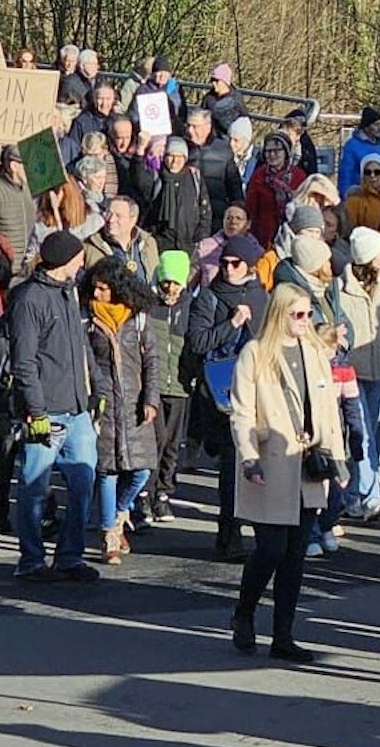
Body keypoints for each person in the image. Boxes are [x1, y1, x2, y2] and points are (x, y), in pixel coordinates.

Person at [226, 282, 345, 662]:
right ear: (279, 314)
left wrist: (338, 460)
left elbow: (329, 411)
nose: (305, 321)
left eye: (309, 314)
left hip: (309, 463)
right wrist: (248, 456)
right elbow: (242, 411)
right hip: (271, 462)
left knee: (295, 555)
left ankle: (283, 635)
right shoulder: (255, 353)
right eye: (297, 314)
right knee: (271, 548)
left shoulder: (314, 352)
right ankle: (244, 613)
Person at [6, 230, 105, 583]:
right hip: (47, 410)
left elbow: (81, 348)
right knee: (35, 485)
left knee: (83, 482)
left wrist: (98, 389)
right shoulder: (30, 299)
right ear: (65, 260)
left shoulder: (69, 293)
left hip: (78, 409)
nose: (83, 263)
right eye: (79, 257)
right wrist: (36, 410)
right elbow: (24, 361)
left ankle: (69, 556)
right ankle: (31, 559)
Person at [185, 233, 270, 561]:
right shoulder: (209, 298)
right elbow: (198, 342)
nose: (229, 269)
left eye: (235, 263)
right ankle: (228, 535)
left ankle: (256, 531)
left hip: (257, 389)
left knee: (259, 462)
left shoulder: (260, 295)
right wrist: (232, 324)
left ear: (249, 266)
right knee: (233, 467)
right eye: (224, 263)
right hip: (222, 389)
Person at [84, 259, 162, 566]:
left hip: (134, 403)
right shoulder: (87, 320)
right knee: (107, 471)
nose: (98, 292)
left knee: (141, 469)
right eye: (96, 287)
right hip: (104, 404)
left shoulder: (139, 319)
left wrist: (150, 399)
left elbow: (152, 361)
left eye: (104, 288)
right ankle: (108, 534)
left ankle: (118, 514)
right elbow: (87, 362)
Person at [335, 225, 380, 524]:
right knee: (361, 431)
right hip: (351, 371)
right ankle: (370, 493)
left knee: (368, 432)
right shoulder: (340, 288)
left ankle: (352, 496)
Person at [148, 252, 195, 524]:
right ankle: (147, 493)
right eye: (166, 283)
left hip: (179, 385)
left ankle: (164, 494)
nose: (171, 289)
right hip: (155, 385)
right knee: (154, 441)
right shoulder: (149, 306)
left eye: (176, 283)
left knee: (172, 445)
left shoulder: (190, 306)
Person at [337, 106, 380, 198]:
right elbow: (346, 173)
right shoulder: (352, 146)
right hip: (361, 197)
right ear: (366, 128)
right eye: (375, 125)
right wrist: (345, 196)